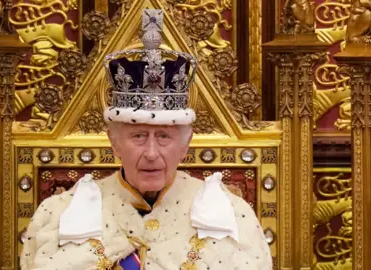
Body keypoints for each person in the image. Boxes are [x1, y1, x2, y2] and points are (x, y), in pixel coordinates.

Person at [20, 9, 272, 270]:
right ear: (114, 142)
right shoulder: (59, 213)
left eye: (164, 136)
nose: (151, 153)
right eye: (138, 136)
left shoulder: (232, 213)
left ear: (185, 144)